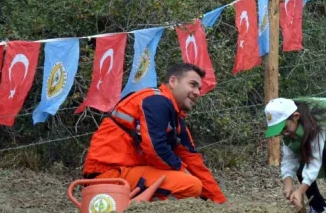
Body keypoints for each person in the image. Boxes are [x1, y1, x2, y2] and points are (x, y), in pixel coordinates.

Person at [82, 63, 226, 202]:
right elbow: (155, 149)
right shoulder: (157, 101)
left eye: (199, 88)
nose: (197, 92)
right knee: (190, 185)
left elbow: (194, 162)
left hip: (127, 173)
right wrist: (182, 170)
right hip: (108, 176)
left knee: (190, 183)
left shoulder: (175, 119)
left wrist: (220, 202)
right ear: (173, 81)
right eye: (193, 84)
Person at [264, 97, 326, 213]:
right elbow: (290, 158)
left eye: (284, 128)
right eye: (279, 131)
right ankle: (317, 207)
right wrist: (287, 182)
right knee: (302, 155)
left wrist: (300, 191)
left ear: (296, 116)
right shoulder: (290, 129)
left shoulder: (313, 123)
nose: (284, 133)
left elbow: (315, 160)